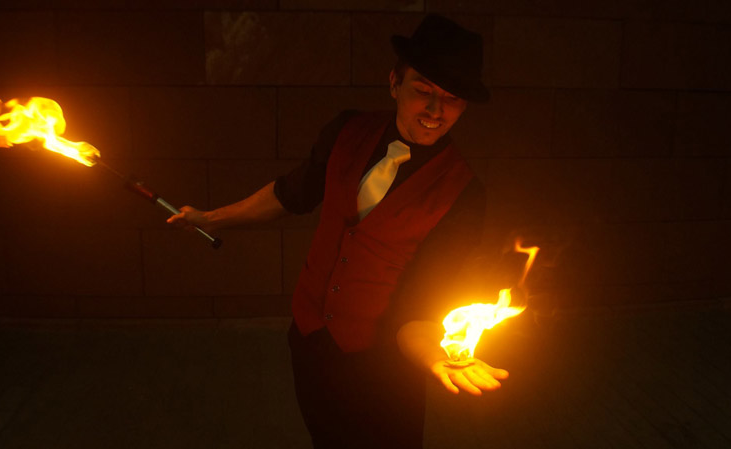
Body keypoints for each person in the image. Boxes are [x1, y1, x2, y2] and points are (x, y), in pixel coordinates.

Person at [169, 14, 511, 448]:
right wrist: (211, 218)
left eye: (452, 99)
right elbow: (291, 193)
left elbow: (423, 295)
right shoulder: (347, 130)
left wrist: (434, 354)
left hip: (384, 364)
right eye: (423, 91)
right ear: (394, 83)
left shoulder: (464, 192)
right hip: (309, 337)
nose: (435, 111)